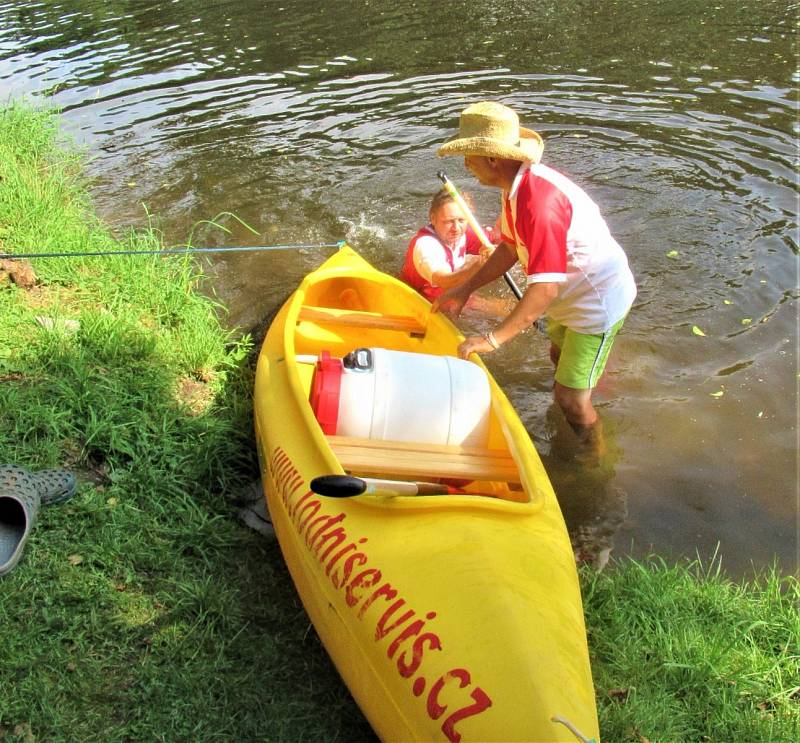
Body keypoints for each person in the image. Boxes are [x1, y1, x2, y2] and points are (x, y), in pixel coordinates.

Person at [432, 101, 636, 449]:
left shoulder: (539, 203)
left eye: (470, 156)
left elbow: (544, 289)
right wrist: (464, 288)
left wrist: (492, 339)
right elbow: (510, 249)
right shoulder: (514, 190)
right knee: (558, 358)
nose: (466, 165)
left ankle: (595, 462)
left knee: (572, 400)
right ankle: (575, 390)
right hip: (571, 299)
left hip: (594, 307)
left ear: (493, 159)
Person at [399, 187, 491, 302]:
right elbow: (445, 282)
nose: (456, 228)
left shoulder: (464, 232)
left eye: (461, 220)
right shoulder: (426, 245)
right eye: (448, 221)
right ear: (433, 218)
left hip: (448, 291)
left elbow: (499, 239)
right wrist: (478, 264)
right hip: (422, 298)